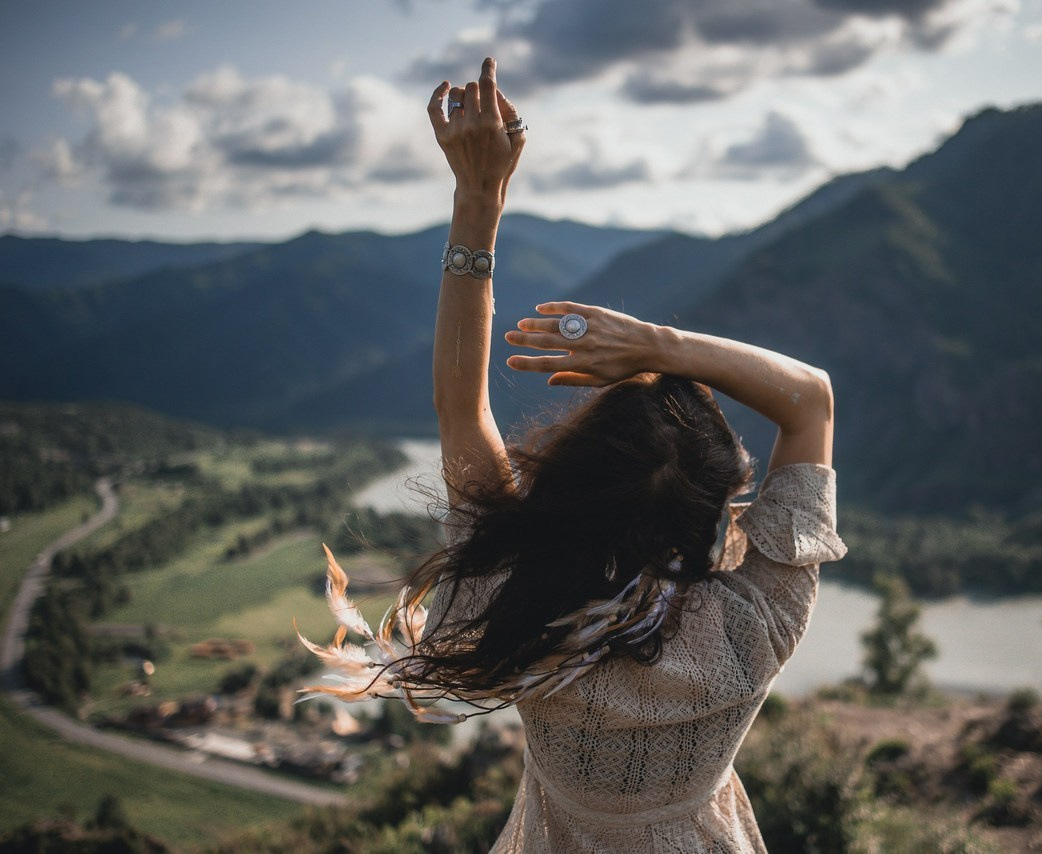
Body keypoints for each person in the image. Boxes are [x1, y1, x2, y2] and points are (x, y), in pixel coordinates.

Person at [298, 58, 847, 852]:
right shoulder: (751, 627)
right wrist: (658, 344)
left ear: (569, 483)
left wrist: (478, 197)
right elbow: (810, 400)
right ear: (712, 508)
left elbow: (460, 407)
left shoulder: (522, 605)